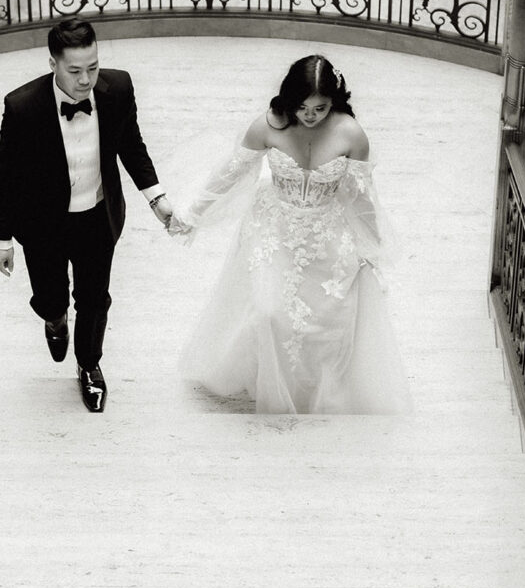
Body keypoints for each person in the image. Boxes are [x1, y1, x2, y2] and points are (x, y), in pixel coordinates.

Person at [168, 54, 412, 415]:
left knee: (326, 320)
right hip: (274, 230)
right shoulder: (269, 125)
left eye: (320, 108)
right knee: (268, 313)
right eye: (302, 107)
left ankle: (313, 389)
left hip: (328, 232)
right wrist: (193, 214)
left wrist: (370, 247)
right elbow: (230, 173)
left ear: (335, 102)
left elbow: (361, 197)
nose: (310, 116)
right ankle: (268, 380)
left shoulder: (351, 133)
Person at [0, 18, 172, 412]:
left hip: (96, 217)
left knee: (94, 298)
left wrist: (156, 197)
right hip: (43, 225)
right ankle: (55, 321)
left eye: (92, 66)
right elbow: (6, 174)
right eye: (75, 70)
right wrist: (2, 237)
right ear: (52, 63)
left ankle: (89, 365)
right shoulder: (22, 107)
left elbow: (131, 144)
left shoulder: (118, 89)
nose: (86, 79)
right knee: (52, 298)